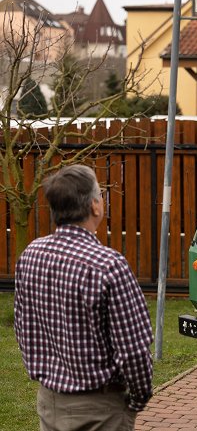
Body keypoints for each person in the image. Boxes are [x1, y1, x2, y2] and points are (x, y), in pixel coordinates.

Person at [14, 164, 153, 430]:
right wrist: (137, 401)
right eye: (101, 194)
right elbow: (134, 352)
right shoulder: (108, 265)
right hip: (99, 410)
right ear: (95, 206)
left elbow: (24, 330)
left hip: (49, 403)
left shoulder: (31, 255)